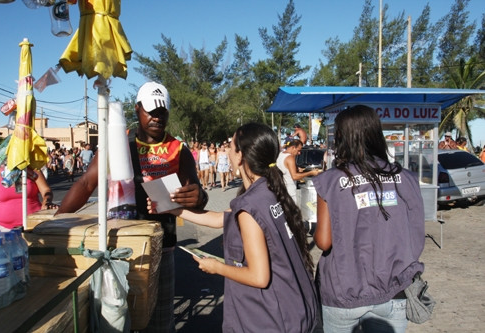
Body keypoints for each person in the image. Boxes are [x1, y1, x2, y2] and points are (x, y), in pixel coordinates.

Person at [56, 81, 207, 333]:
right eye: (151, 111)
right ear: (137, 109)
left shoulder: (178, 149)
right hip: (119, 247)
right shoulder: (118, 143)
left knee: (159, 321)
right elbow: (85, 184)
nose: (157, 118)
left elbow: (197, 193)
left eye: (162, 112)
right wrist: (57, 221)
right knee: (117, 316)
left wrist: (198, 196)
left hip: (163, 248)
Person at [150, 123, 317, 332]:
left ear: (240, 156)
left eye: (231, 145)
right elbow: (219, 219)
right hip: (294, 309)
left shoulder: (249, 207)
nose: (227, 151)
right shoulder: (269, 190)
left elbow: (259, 276)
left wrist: (216, 267)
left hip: (269, 319)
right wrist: (171, 209)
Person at [312, 105, 425, 333]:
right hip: (393, 289)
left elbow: (324, 242)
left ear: (342, 137)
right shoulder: (404, 177)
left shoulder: (332, 181)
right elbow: (415, 234)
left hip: (344, 291)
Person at [0, 165, 58, 231]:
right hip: (3, 229)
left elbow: (46, 190)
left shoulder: (33, 171)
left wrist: (46, 201)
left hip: (33, 226)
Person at [276, 139, 320, 204]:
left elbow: (285, 169)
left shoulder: (280, 155)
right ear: (293, 147)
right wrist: (311, 173)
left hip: (280, 191)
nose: (299, 153)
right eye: (298, 150)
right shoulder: (290, 158)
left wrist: (297, 169)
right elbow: (294, 176)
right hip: (289, 193)